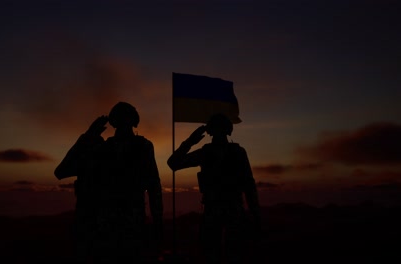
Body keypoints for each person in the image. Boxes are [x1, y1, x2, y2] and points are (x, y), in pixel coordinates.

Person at [54, 101, 164, 263]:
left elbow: (153, 185)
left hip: (128, 225)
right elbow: (62, 171)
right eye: (119, 118)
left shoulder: (142, 147)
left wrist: (157, 223)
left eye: (126, 118)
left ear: (133, 121)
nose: (123, 123)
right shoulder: (101, 149)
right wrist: (88, 136)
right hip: (106, 227)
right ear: (113, 122)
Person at [167, 113, 261, 264]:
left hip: (220, 210)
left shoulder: (208, 153)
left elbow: (173, 163)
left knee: (217, 253)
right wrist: (256, 215)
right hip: (227, 210)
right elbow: (249, 186)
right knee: (226, 253)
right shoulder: (235, 152)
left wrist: (190, 141)